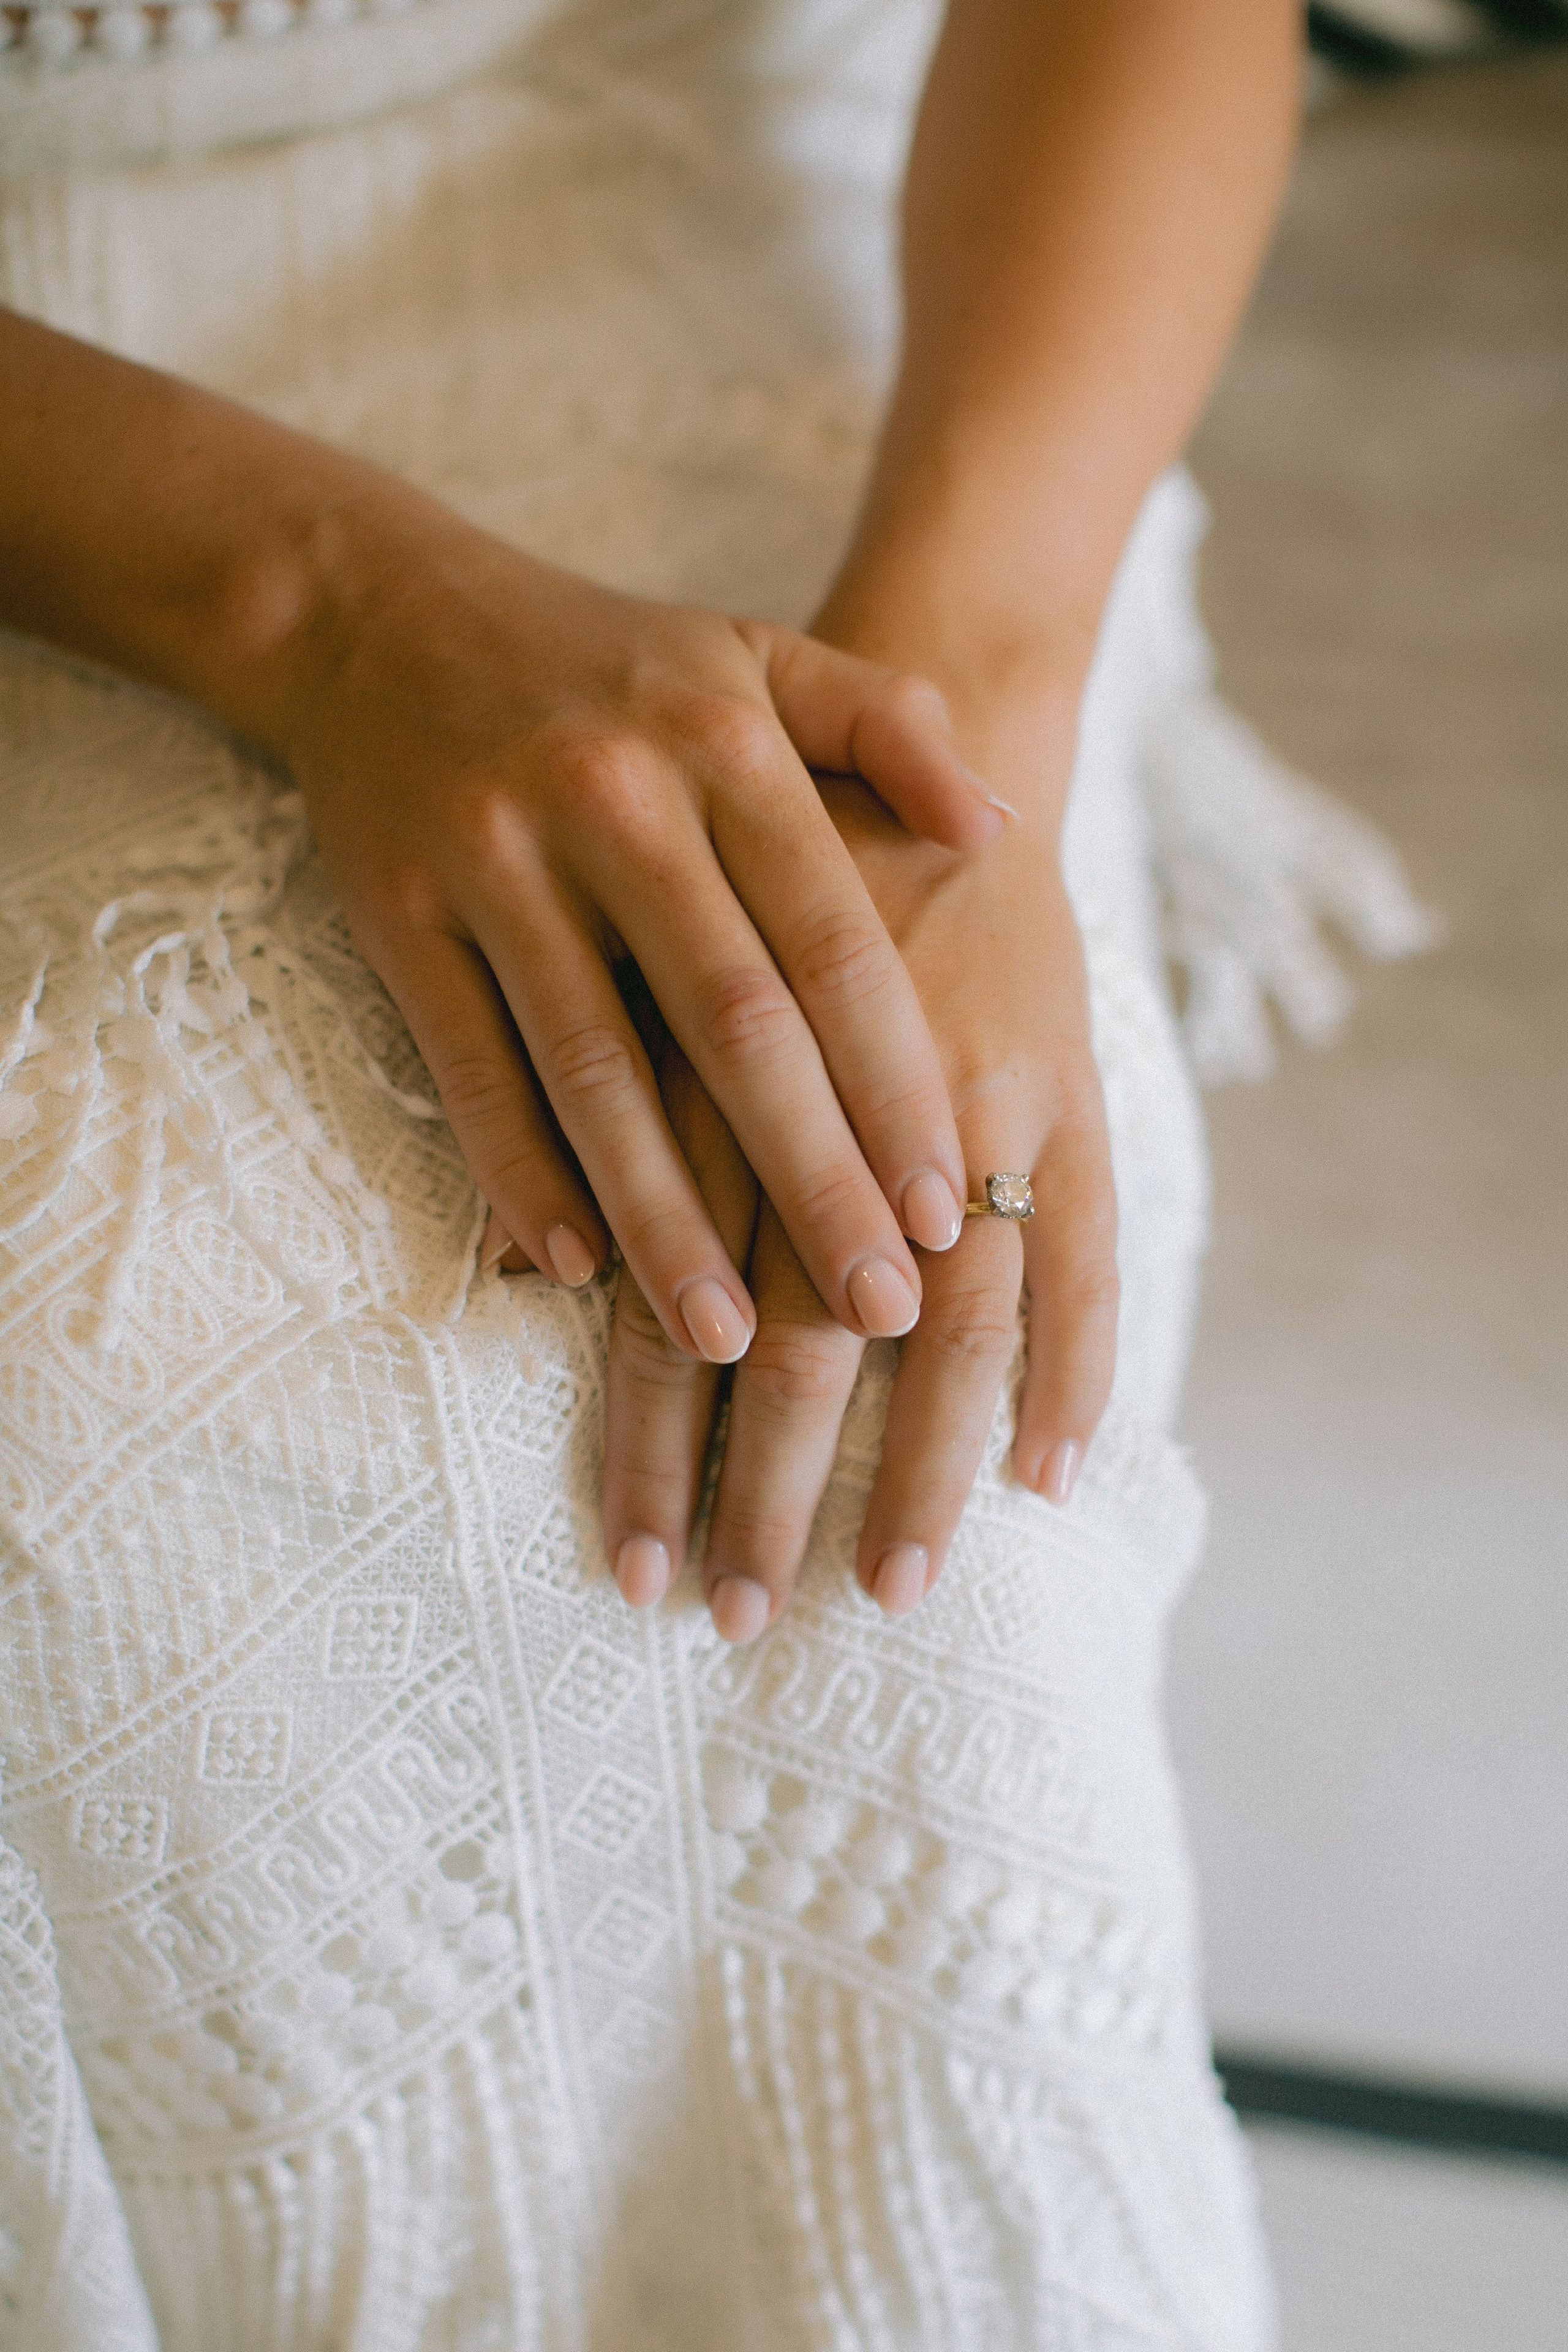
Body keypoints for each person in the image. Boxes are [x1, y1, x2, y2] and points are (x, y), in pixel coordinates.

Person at [0, 1, 1426, 2343]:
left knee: (919, 1457)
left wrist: (953, 744)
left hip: (807, 224)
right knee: (101, 1383)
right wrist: (328, 608)